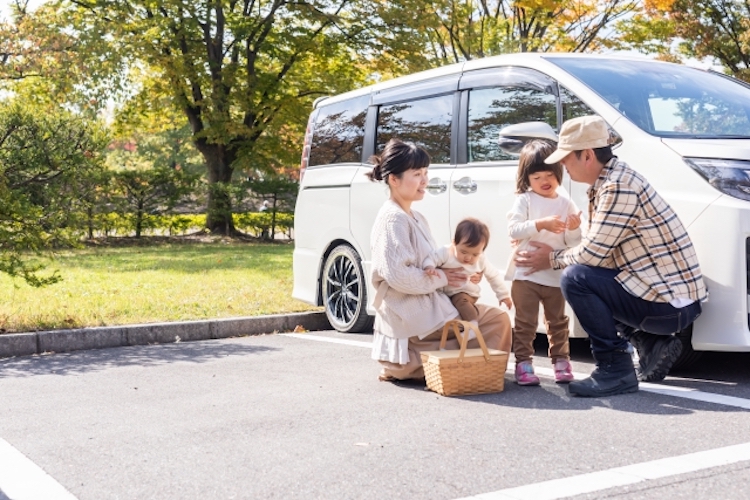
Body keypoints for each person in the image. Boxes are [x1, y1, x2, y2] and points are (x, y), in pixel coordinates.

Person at [516, 115, 707, 397]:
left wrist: (552, 258)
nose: (562, 167)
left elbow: (592, 254)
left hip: (671, 305)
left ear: (587, 156)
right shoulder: (612, 179)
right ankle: (651, 342)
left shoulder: (617, 186)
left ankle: (614, 368)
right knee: (587, 274)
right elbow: (601, 254)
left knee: (576, 278)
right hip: (670, 299)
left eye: (566, 159)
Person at [368, 139, 512, 382]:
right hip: (412, 311)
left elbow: (432, 265)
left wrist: (463, 274)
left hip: (426, 306)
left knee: (485, 320)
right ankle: (424, 365)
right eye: (417, 174)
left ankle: (418, 365)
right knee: (496, 320)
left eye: (426, 173)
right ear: (394, 179)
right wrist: (445, 278)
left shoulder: (414, 216)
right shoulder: (394, 219)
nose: (425, 180)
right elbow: (399, 276)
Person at [507, 140, 582, 386]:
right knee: (525, 322)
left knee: (558, 321)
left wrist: (573, 228)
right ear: (526, 179)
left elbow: (572, 242)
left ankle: (561, 361)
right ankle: (523, 363)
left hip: (553, 274)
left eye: (549, 174)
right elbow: (514, 230)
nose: (544, 180)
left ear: (559, 172)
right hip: (526, 274)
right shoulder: (525, 200)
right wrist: (540, 223)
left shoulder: (565, 202)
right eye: (537, 176)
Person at [422, 218, 512, 334]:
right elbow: (432, 258)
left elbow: (493, 276)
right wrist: (429, 267)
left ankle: (472, 327)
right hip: (446, 292)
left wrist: (503, 295)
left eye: (475, 254)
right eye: (464, 252)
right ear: (454, 243)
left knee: (460, 300)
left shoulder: (481, 260)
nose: (468, 258)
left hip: (466, 293)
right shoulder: (446, 252)